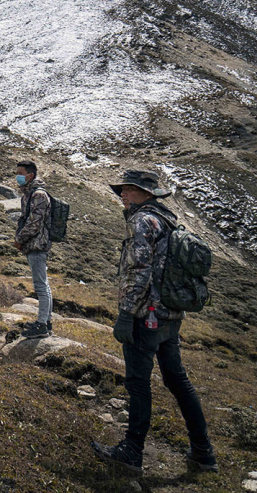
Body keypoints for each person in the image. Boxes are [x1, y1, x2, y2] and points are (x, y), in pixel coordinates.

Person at [91, 170, 218, 475]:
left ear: (146, 193)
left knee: (138, 383)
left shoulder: (142, 221)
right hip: (169, 317)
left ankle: (132, 451)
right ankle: (203, 452)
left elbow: (140, 271)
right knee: (177, 380)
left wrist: (125, 313)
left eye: (129, 189)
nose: (123, 194)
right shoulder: (167, 219)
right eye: (122, 189)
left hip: (144, 316)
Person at [12, 160, 53, 339]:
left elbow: (34, 223)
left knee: (40, 286)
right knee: (43, 285)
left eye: (21, 173)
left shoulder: (38, 195)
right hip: (34, 245)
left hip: (37, 245)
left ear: (30, 175)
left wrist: (19, 239)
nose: (18, 177)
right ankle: (45, 320)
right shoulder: (29, 195)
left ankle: (42, 324)